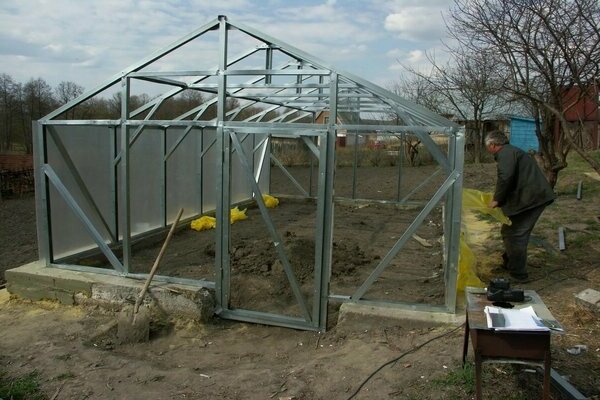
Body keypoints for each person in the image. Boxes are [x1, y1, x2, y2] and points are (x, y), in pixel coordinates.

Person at [485, 131, 555, 282]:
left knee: (516, 234)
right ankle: (510, 263)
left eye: (487, 146)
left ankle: (519, 274)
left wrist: (497, 199)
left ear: (493, 145)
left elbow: (506, 177)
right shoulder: (511, 152)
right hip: (531, 197)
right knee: (509, 231)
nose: (487, 149)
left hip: (533, 199)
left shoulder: (506, 153)